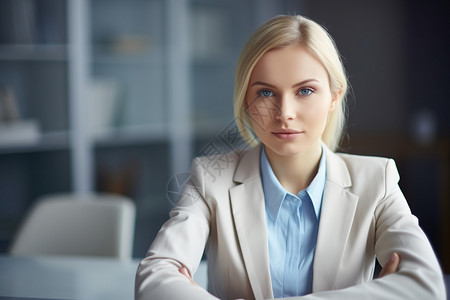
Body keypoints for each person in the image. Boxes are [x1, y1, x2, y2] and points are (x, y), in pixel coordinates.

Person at [135, 15, 446, 299]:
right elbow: (154, 279)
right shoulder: (209, 177)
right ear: (246, 100)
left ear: (334, 97)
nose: (285, 114)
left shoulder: (376, 182)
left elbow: (427, 286)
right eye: (266, 93)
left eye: (305, 91)